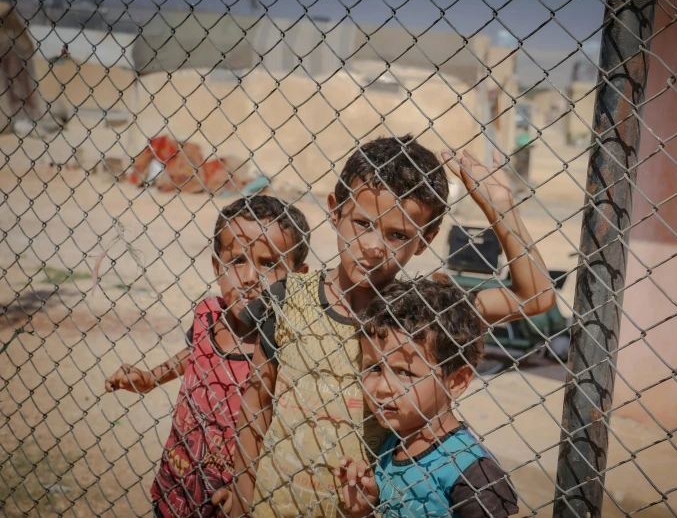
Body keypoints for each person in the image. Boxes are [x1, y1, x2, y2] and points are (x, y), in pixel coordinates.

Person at [213, 134, 554, 518]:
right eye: (362, 222)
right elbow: (257, 403)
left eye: (397, 235)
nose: (374, 246)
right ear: (334, 210)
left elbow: (536, 295)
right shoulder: (287, 297)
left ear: (424, 240)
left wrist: (500, 208)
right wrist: (242, 498)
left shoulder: (423, 313)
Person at [105, 195, 310, 518]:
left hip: (229, 494)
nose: (249, 277)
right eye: (237, 261)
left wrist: (246, 489)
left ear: (298, 277)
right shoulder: (209, 315)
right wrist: (151, 378)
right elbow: (197, 353)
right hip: (176, 479)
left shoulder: (285, 346)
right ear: (217, 265)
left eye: (268, 263)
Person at [336, 279, 520, 518]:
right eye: (374, 368)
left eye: (405, 372)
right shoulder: (392, 443)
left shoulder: (472, 473)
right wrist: (365, 509)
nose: (382, 388)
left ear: (456, 381)